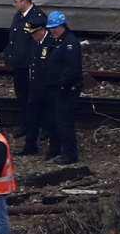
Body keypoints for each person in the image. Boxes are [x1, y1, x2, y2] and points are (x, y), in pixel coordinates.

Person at [32, 10, 83, 162]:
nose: (52, 31)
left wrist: (62, 85)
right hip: (53, 88)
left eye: (55, 28)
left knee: (64, 122)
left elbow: (71, 68)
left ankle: (70, 154)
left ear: (63, 26)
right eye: (51, 28)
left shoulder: (70, 43)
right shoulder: (57, 41)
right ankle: (55, 149)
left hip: (65, 90)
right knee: (53, 120)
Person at [8, 0, 43, 150]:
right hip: (19, 65)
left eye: (16, 1)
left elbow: (35, 43)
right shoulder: (18, 17)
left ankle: (36, 127)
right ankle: (25, 123)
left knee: (32, 99)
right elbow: (14, 39)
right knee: (21, 95)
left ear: (23, 1)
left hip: (29, 66)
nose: (14, 4)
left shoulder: (36, 17)